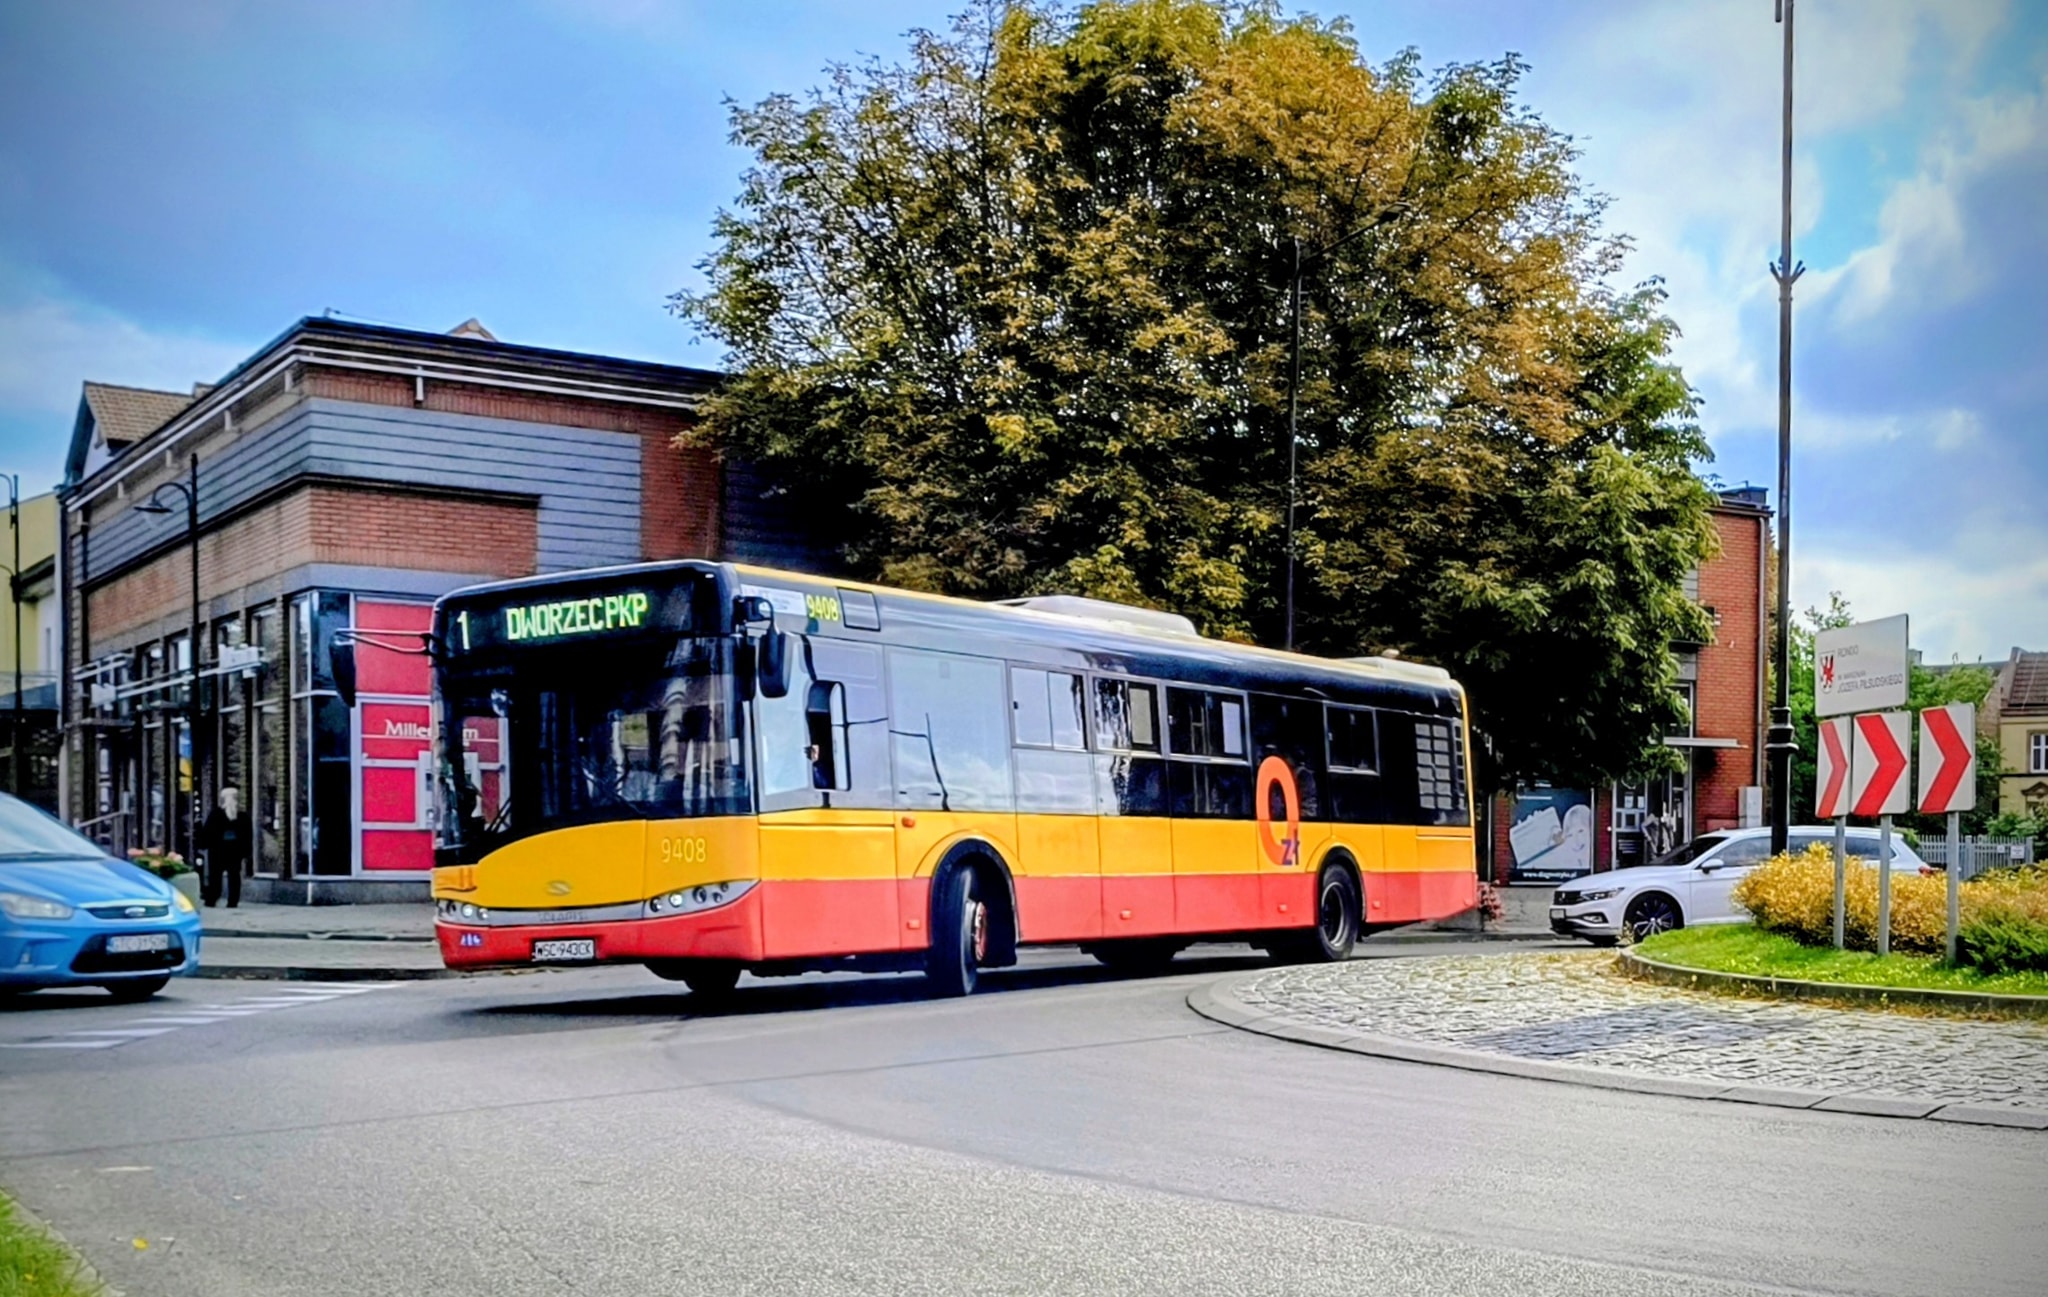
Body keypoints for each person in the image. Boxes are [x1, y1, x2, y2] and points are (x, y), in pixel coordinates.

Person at [199, 785, 251, 908]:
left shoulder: (216, 814)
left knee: (215, 875)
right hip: (234, 851)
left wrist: (203, 844)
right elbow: (247, 835)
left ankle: (212, 899)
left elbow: (208, 831)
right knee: (234, 876)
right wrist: (245, 851)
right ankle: (233, 901)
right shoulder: (242, 816)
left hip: (217, 850)